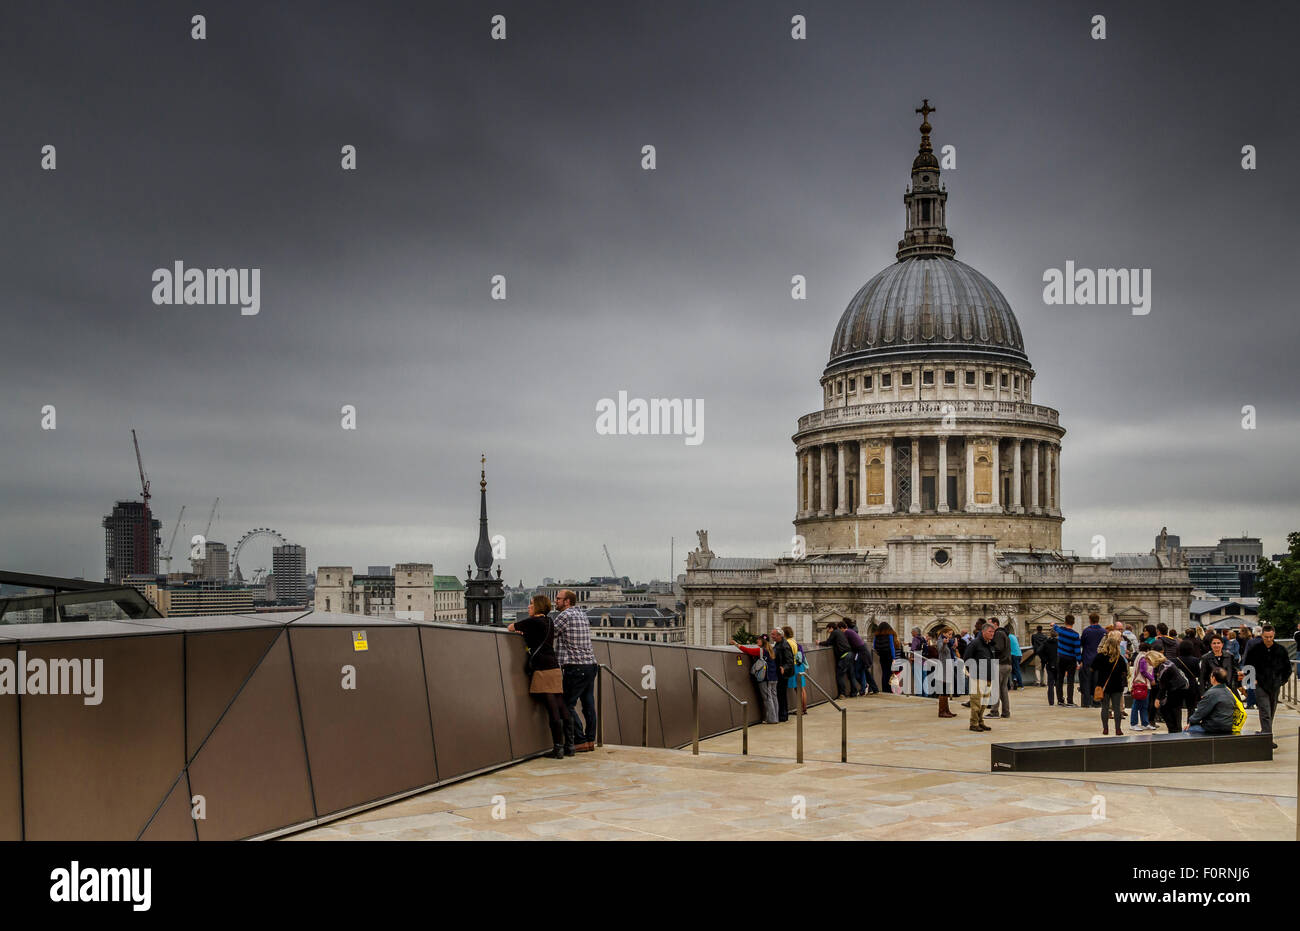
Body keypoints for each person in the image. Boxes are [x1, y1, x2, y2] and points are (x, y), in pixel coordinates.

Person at [508, 595, 573, 758]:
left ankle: (558, 748)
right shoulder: (550, 622)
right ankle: (569, 746)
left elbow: (510, 627)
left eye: (531, 604)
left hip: (542, 668)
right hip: (554, 666)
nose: (529, 607)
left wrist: (522, 629)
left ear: (537, 606)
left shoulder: (532, 622)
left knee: (552, 707)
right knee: (560, 703)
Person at [553, 589, 599, 753]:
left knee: (566, 704)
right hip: (591, 665)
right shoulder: (582, 614)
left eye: (558, 599)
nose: (555, 601)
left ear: (567, 602)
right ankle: (590, 740)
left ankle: (579, 740)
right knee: (588, 704)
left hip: (575, 666)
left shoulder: (564, 616)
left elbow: (550, 632)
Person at [1243, 624, 1293, 747]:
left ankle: (1265, 732)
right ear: (1262, 636)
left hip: (1275, 685)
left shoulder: (1281, 650)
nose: (1269, 639)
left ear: (1274, 635)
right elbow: (1248, 665)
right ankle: (1267, 738)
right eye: (1266, 637)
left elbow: (1287, 668)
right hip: (1260, 684)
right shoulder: (1255, 649)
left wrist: (1282, 681)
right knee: (1265, 711)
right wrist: (1252, 680)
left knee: (1271, 712)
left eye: (1270, 637)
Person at [733, 634, 780, 724]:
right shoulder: (771, 650)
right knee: (774, 697)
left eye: (759, 640)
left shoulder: (761, 650)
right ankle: (775, 717)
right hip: (774, 677)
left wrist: (736, 644)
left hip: (765, 678)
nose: (757, 641)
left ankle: (772, 719)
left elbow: (747, 650)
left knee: (767, 698)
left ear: (763, 641)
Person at [1090, 631, 1129, 736]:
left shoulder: (1100, 656)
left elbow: (1092, 668)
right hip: (1116, 686)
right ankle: (1118, 729)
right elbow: (1124, 672)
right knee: (1117, 708)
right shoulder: (1119, 658)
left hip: (1103, 686)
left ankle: (1105, 729)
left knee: (1105, 708)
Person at [964, 623, 998, 732]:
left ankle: (980, 721)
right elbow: (967, 659)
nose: (992, 634)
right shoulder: (975, 644)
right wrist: (974, 672)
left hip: (988, 676)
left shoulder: (990, 644)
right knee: (976, 702)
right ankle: (973, 723)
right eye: (990, 632)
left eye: (993, 632)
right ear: (983, 632)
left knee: (984, 702)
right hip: (978, 677)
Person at [1187, 667, 1237, 735]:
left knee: (1187, 731)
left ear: (1214, 678)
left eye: (1211, 676)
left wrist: (1190, 722)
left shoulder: (1211, 693)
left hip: (1213, 728)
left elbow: (1200, 712)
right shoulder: (1229, 692)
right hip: (1227, 727)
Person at [1149, 650, 1189, 733]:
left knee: (1169, 713)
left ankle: (1173, 732)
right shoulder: (1168, 663)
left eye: (1148, 661)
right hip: (1180, 690)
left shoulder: (1163, 668)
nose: (1148, 664)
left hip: (1174, 692)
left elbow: (1163, 686)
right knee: (1176, 713)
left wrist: (1157, 699)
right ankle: (1176, 731)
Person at [818, 621, 857, 699]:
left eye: (828, 630)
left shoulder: (835, 632)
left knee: (840, 675)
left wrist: (819, 643)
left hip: (844, 656)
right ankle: (854, 692)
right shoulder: (840, 633)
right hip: (850, 654)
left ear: (831, 628)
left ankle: (842, 694)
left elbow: (828, 642)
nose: (828, 632)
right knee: (851, 675)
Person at [1078, 614, 1106, 708]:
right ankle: (1096, 702)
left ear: (1090, 620)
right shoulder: (1104, 631)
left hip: (1087, 659)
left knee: (1086, 681)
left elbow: (1081, 644)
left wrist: (1080, 659)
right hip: (1100, 661)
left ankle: (1086, 702)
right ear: (1098, 619)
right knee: (1097, 681)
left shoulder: (1086, 631)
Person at [1054, 615, 1082, 706]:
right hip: (1071, 658)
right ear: (1073, 623)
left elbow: (1056, 628)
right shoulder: (1075, 635)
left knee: (1060, 679)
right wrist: (1080, 661)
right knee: (1070, 680)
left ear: (1065, 622)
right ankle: (1070, 700)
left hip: (1061, 657)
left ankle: (1060, 700)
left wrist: (1053, 624)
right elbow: (1077, 649)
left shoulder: (1061, 631)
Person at [844, 619, 878, 695]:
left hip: (861, 654)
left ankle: (865, 687)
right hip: (863, 653)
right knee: (864, 672)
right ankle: (872, 688)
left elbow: (846, 643)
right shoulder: (853, 630)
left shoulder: (848, 632)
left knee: (858, 672)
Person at [987, 619, 1012, 718]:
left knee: (996, 689)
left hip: (1000, 664)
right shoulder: (1005, 634)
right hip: (1007, 664)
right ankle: (1006, 712)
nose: (988, 625)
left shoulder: (998, 634)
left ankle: (994, 712)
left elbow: (998, 648)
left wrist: (989, 646)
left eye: (989, 623)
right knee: (1003, 690)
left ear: (995, 624)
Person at [1129, 642, 1155, 731]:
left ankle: (1145, 723)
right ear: (1148, 650)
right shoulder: (1143, 658)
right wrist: (1152, 679)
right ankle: (1134, 723)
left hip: (1141, 684)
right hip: (1142, 684)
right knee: (1137, 705)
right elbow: (1143, 671)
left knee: (1144, 705)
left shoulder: (1139, 656)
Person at [783, 625, 809, 714]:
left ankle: (801, 710)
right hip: (799, 665)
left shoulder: (787, 642)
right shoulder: (794, 641)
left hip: (794, 666)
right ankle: (804, 708)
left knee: (798, 689)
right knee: (802, 689)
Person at [934, 627, 958, 718]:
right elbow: (940, 650)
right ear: (944, 633)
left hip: (947, 666)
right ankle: (942, 711)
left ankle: (946, 710)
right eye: (949, 634)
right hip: (943, 667)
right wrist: (944, 644)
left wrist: (953, 647)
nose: (950, 636)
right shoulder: (940, 640)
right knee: (943, 689)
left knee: (946, 689)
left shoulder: (947, 641)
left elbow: (947, 653)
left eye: (951, 634)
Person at [772, 629, 794, 722]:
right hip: (778, 673)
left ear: (779, 635)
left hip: (782, 674)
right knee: (780, 695)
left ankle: (783, 715)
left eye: (773, 634)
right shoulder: (778, 644)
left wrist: (784, 668)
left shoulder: (784, 645)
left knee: (781, 695)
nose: (772, 636)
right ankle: (782, 715)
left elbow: (790, 660)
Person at [874, 622, 900, 694]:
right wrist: (894, 657)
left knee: (884, 672)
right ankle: (888, 689)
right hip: (889, 655)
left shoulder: (877, 635)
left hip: (882, 655)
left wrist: (879, 653)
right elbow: (892, 646)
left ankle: (884, 689)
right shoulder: (889, 634)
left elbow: (874, 646)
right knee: (889, 672)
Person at [1038, 628, 1060, 705]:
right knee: (1058, 683)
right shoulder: (1059, 643)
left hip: (1049, 664)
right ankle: (1060, 700)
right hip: (1058, 664)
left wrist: (1045, 659)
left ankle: (1051, 701)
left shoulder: (1046, 642)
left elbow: (1039, 651)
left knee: (1050, 684)